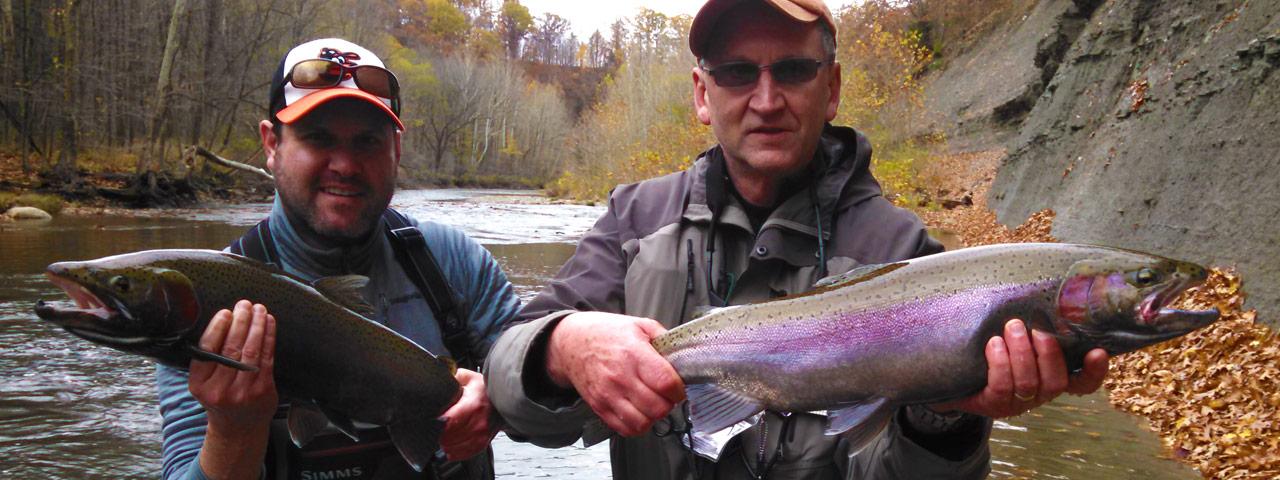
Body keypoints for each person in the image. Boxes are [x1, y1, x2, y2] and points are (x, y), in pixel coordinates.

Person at [484, 1, 1111, 478]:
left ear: (831, 88)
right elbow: (508, 393)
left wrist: (943, 419)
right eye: (736, 73)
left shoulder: (903, 249)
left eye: (793, 69)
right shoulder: (635, 217)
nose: (766, 99)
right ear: (703, 96)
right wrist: (562, 347)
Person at [156, 38, 520, 480]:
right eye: (318, 138)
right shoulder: (214, 298)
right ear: (271, 145)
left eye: (367, 141)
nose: (345, 165)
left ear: (396, 151)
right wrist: (234, 431)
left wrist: (501, 403)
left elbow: (554, 399)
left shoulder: (451, 264)